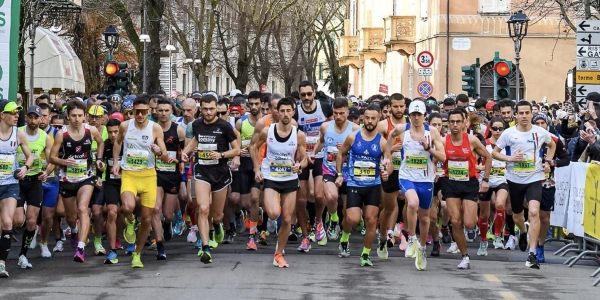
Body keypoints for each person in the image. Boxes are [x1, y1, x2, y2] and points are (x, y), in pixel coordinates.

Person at [492, 101, 556, 269]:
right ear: (516, 115)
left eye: (527, 113)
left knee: (534, 212)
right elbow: (494, 153)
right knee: (517, 216)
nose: (524, 116)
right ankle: (522, 231)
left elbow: (552, 145)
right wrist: (510, 159)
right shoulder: (508, 133)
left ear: (531, 114)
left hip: (534, 178)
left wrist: (548, 161)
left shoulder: (540, 132)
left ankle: (532, 254)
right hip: (514, 179)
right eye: (521, 113)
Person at [383, 100, 445, 270]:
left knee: (425, 218)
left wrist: (428, 148)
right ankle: (411, 238)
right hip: (406, 175)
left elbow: (443, 157)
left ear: (425, 116)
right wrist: (387, 156)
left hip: (425, 179)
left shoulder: (432, 132)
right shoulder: (402, 130)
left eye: (419, 115)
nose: (416, 118)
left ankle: (422, 248)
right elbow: (389, 137)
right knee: (412, 203)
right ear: (408, 116)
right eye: (413, 115)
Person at [111, 95, 171, 268]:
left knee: (146, 218)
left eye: (143, 112)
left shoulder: (155, 128)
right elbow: (117, 143)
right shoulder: (125, 126)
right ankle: (130, 221)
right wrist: (116, 162)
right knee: (127, 207)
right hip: (129, 173)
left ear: (149, 112)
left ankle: (137, 254)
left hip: (148, 175)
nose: (140, 115)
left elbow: (165, 156)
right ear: (132, 112)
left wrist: (159, 151)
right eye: (137, 112)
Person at [181, 94, 240, 264]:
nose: (208, 112)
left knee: (217, 215)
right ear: (201, 109)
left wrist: (221, 154)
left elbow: (236, 150)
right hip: (202, 171)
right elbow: (195, 141)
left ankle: (218, 225)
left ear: (216, 109)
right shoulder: (197, 125)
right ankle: (205, 247)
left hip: (220, 172)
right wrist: (186, 152)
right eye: (205, 109)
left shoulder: (225, 126)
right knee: (203, 207)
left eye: (211, 109)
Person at [251, 97, 307, 268]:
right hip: (271, 176)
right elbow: (253, 148)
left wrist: (299, 165)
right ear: (277, 112)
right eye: (282, 110)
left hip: (289, 178)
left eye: (288, 111)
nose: (285, 114)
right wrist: (257, 169)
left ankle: (279, 254)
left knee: (288, 218)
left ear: (293, 112)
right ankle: (266, 213)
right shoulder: (268, 131)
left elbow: (304, 159)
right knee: (274, 213)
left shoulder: (299, 134)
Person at [49, 100, 106, 263]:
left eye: (80, 115)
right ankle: (74, 230)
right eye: (73, 116)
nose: (76, 119)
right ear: (68, 117)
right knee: (70, 216)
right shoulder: (62, 134)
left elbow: (101, 142)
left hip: (86, 177)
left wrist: (99, 159)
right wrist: (64, 162)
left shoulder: (91, 130)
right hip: (67, 178)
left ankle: (81, 247)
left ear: (85, 116)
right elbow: (51, 157)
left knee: (83, 209)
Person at [335, 104, 389, 266]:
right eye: (367, 118)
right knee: (352, 219)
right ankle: (345, 238)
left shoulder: (383, 141)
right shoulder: (353, 137)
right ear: (362, 118)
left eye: (373, 118)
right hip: (354, 183)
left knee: (371, 220)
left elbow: (389, 162)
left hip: (373, 185)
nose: (370, 121)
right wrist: (339, 174)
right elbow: (340, 154)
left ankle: (365, 254)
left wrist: (387, 172)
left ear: (378, 120)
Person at [442, 108, 491, 270]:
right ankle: (465, 256)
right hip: (450, 183)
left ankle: (471, 222)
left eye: (458, 122)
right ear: (448, 124)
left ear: (464, 123)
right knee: (455, 221)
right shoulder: (444, 141)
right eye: (452, 122)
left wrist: (485, 179)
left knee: (469, 223)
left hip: (469, 182)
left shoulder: (472, 140)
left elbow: (488, 157)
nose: (455, 125)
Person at [310, 98, 360, 243]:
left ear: (347, 112)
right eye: (335, 113)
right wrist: (314, 153)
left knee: (347, 210)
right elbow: (321, 141)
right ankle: (333, 219)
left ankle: (345, 239)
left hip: (349, 172)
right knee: (331, 197)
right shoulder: (325, 127)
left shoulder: (355, 130)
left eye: (341, 113)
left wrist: (346, 149)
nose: (338, 117)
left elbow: (361, 151)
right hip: (329, 168)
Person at [14, 106, 54, 268]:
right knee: (18, 220)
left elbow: (52, 160)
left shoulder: (45, 137)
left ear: (41, 119)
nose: (32, 121)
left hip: (35, 181)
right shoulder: (18, 133)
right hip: (16, 180)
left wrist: (46, 172)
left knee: (31, 219)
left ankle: (22, 255)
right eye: (30, 117)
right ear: (26, 118)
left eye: (36, 117)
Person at [294, 81, 332, 250]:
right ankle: (304, 235)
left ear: (314, 93)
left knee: (318, 195)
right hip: (302, 157)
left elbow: (332, 127)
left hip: (320, 155)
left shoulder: (325, 107)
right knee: (301, 199)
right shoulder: (296, 111)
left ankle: (318, 220)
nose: (307, 98)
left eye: (309, 94)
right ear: (299, 95)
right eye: (303, 95)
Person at [0, 100, 33, 278]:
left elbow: (30, 157)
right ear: (2, 115)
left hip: (10, 184)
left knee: (8, 222)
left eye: (17, 112)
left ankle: (1, 264)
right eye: (12, 113)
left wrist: (25, 168)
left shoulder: (18, 134)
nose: (16, 115)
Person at [151, 98, 186, 259]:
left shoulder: (178, 130)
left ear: (171, 111)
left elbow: (186, 153)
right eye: (160, 110)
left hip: (172, 175)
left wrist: (179, 160)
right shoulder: (150, 130)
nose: (163, 113)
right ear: (155, 111)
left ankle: (167, 225)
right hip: (155, 174)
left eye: (166, 110)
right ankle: (160, 246)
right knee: (156, 209)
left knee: (168, 214)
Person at [376, 93, 408, 251]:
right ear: (390, 107)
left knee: (411, 202)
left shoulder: (411, 124)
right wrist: (388, 149)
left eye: (401, 106)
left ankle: (405, 234)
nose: (399, 109)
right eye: (395, 106)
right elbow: (374, 146)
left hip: (409, 170)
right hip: (391, 169)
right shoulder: (383, 125)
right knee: (389, 206)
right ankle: (384, 234)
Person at [477, 117, 510, 253]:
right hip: (486, 180)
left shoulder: (508, 145)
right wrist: (481, 167)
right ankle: (483, 241)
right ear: (490, 129)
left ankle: (497, 235)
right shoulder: (484, 144)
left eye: (500, 129)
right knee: (484, 215)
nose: (497, 131)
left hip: (502, 179)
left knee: (500, 204)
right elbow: (474, 162)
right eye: (495, 128)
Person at [235, 91, 263, 249]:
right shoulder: (241, 122)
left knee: (254, 198)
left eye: (256, 104)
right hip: (245, 164)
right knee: (246, 202)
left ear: (261, 104)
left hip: (259, 165)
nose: (253, 107)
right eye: (250, 104)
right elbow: (235, 144)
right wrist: (238, 152)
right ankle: (255, 214)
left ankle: (252, 235)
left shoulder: (266, 122)